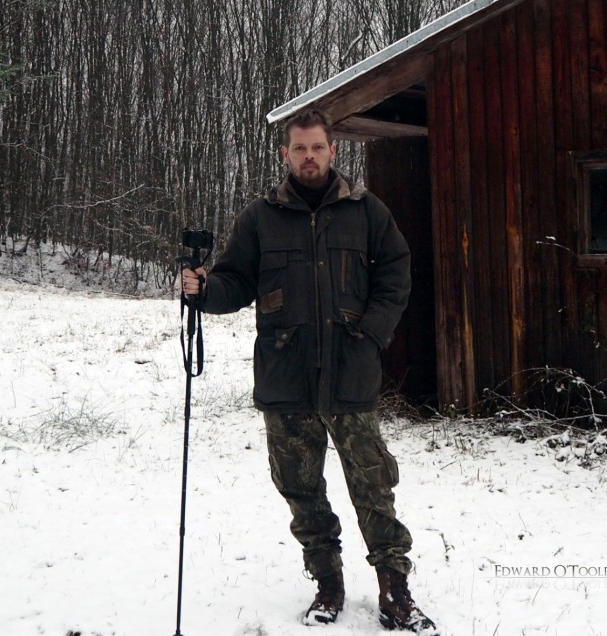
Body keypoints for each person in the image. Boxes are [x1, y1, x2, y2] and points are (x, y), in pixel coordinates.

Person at [180, 108, 437, 634]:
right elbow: (234, 281)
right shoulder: (260, 217)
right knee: (300, 487)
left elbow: (397, 272)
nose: (309, 157)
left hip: (350, 373)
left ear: (333, 151)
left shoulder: (367, 212)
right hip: (285, 375)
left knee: (373, 485)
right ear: (285, 155)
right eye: (300, 149)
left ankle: (394, 588)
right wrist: (204, 290)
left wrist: (371, 332)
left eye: (318, 148)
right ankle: (328, 582)